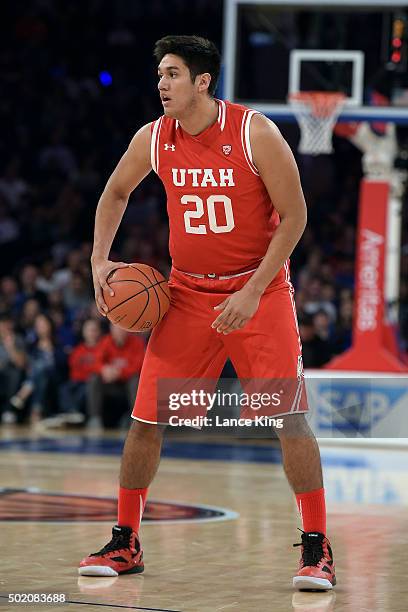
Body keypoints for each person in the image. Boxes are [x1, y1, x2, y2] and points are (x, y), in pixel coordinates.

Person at [79, 35, 335, 590]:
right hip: (186, 296)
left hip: (258, 294)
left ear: (203, 82)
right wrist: (100, 262)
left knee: (288, 418)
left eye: (172, 74)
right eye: (159, 75)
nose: (161, 84)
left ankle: (316, 548)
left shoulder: (254, 132)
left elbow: (294, 216)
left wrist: (251, 293)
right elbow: (115, 192)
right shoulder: (153, 138)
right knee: (146, 420)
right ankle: (125, 540)